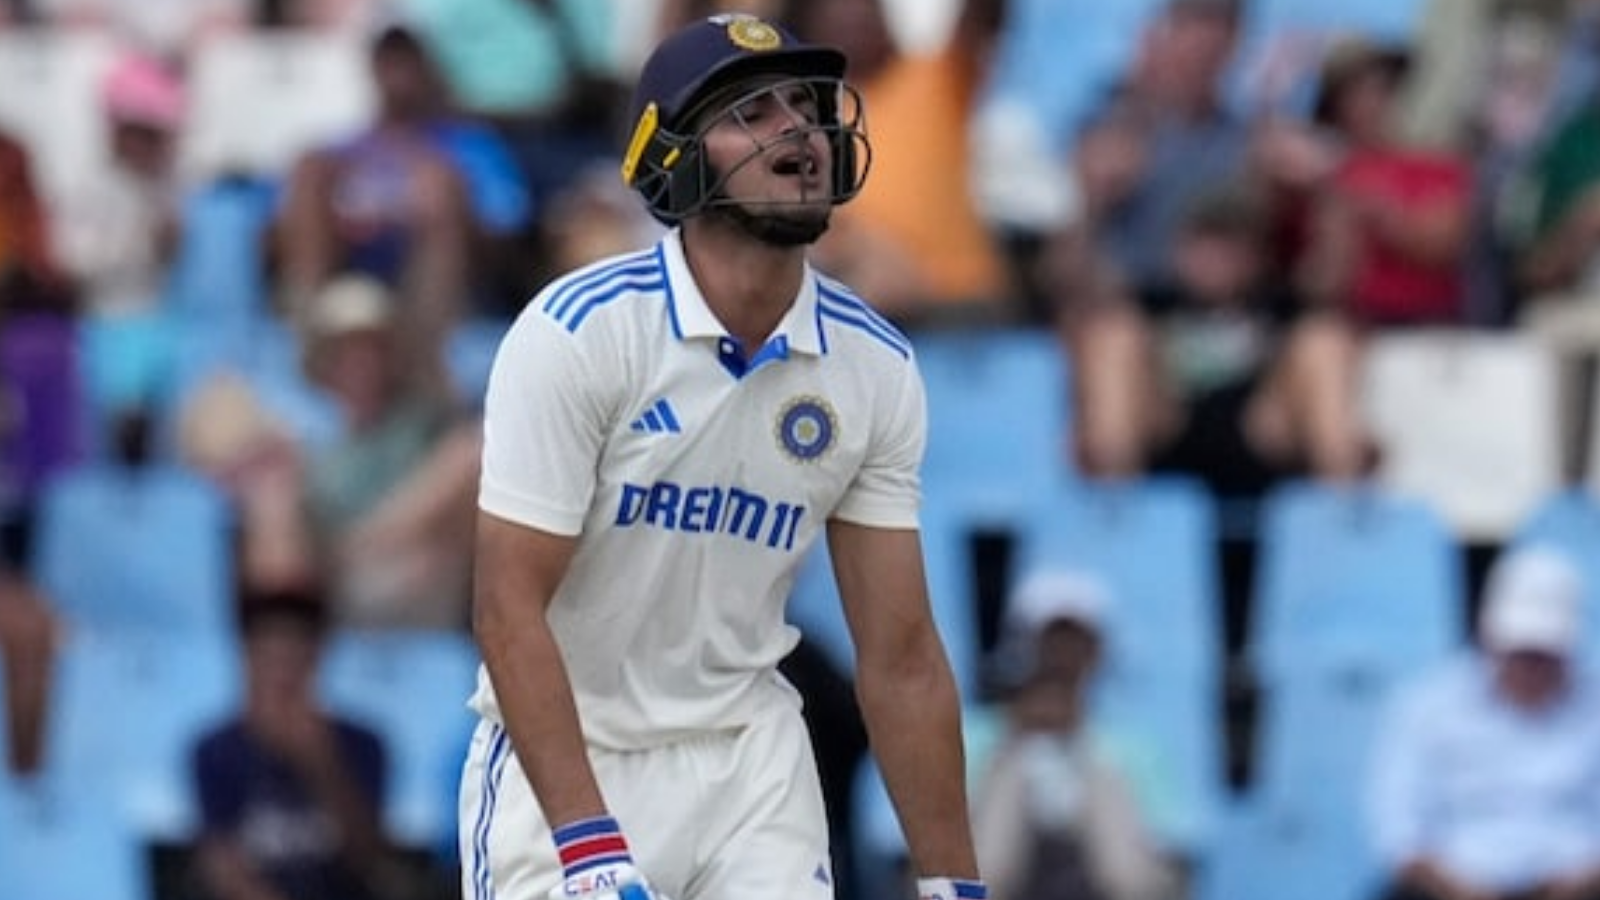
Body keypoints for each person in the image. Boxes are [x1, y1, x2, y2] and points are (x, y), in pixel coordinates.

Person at [458, 13, 984, 900]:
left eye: (805, 108)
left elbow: (900, 656)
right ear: (676, 160)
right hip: (570, 760)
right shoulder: (579, 332)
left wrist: (953, 882)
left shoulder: (875, 366)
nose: (799, 131)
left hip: (750, 765)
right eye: (754, 112)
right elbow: (510, 609)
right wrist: (590, 846)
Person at [1366, 544, 1600, 900]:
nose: (1530, 666)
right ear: (1489, 637)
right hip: (1455, 885)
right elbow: (1400, 832)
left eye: (1543, 654)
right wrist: (1458, 888)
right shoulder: (1428, 706)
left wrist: (1579, 882)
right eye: (1520, 652)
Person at [972, 568, 1184, 900]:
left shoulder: (1136, 743)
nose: (1062, 655)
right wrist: (1014, 741)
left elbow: (1164, 850)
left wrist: (1080, 741)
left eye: (1077, 642)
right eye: (1049, 640)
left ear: (1098, 650)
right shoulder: (973, 733)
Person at [190, 587, 407, 900]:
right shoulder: (215, 751)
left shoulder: (364, 744)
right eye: (269, 655)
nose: (282, 673)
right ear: (248, 659)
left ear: (316, 658)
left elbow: (369, 858)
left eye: (293, 655)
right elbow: (221, 864)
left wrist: (320, 762)